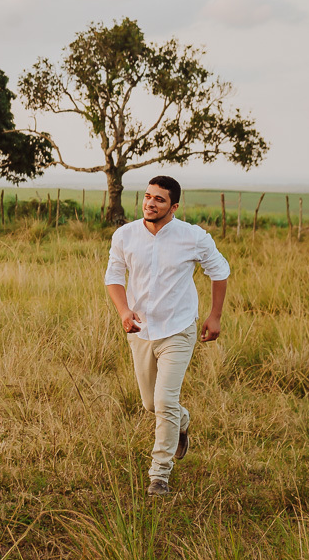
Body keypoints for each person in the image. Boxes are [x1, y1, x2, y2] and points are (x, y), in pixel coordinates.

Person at [103, 175, 229, 496]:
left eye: (159, 199)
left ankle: (159, 474)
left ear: (173, 206)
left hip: (179, 329)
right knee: (151, 403)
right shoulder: (125, 235)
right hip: (141, 330)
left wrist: (214, 316)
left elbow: (220, 271)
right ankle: (180, 422)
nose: (150, 203)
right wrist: (123, 312)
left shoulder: (193, 237)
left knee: (164, 400)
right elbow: (114, 276)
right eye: (147, 196)